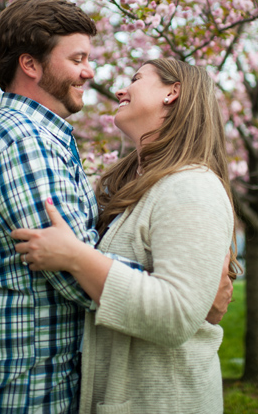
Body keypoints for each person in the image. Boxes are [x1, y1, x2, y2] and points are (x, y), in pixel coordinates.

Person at [12, 58, 240, 414]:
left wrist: (76, 257)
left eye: (135, 79)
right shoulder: (134, 183)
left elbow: (176, 315)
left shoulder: (193, 188)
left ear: (172, 92)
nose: (120, 90)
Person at [0, 0, 125, 414]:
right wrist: (176, 290)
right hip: (20, 392)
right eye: (77, 58)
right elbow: (78, 279)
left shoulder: (39, 136)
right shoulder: (27, 144)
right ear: (31, 65)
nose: (89, 72)